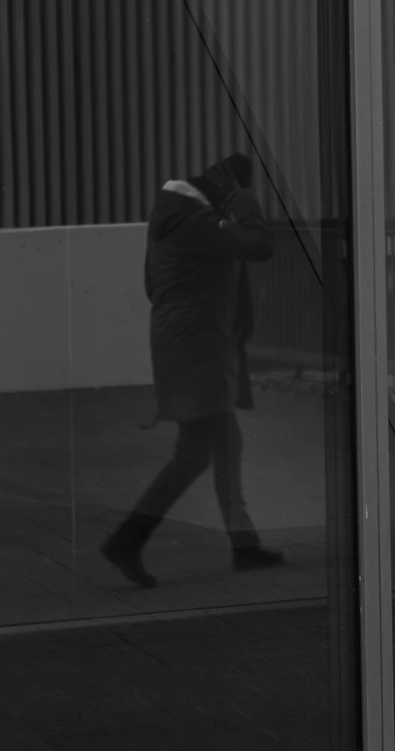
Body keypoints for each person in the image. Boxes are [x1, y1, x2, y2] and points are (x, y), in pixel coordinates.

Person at [100, 152, 286, 585]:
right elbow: (260, 245)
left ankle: (244, 546)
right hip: (197, 353)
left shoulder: (169, 219)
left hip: (187, 349)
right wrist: (243, 204)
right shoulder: (198, 224)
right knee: (194, 454)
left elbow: (152, 285)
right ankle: (127, 540)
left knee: (225, 445)